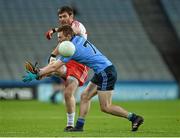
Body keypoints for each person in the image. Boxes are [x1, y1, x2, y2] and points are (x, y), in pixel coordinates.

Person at [23, 25, 144, 132]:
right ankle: (79, 126)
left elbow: (55, 66)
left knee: (105, 107)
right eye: (58, 38)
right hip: (102, 71)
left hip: (105, 72)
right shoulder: (78, 39)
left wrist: (39, 73)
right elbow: (56, 65)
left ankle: (134, 118)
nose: (59, 41)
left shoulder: (71, 49)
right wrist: (41, 72)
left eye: (60, 38)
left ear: (69, 36)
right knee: (85, 96)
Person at [45, 6, 88, 131]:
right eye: (60, 17)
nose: (62, 19)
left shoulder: (77, 25)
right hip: (67, 60)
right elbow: (61, 46)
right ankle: (43, 73)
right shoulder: (64, 33)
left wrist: (53, 30)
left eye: (65, 16)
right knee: (51, 68)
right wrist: (52, 56)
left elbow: (70, 30)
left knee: (68, 93)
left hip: (79, 64)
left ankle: (70, 124)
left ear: (71, 16)